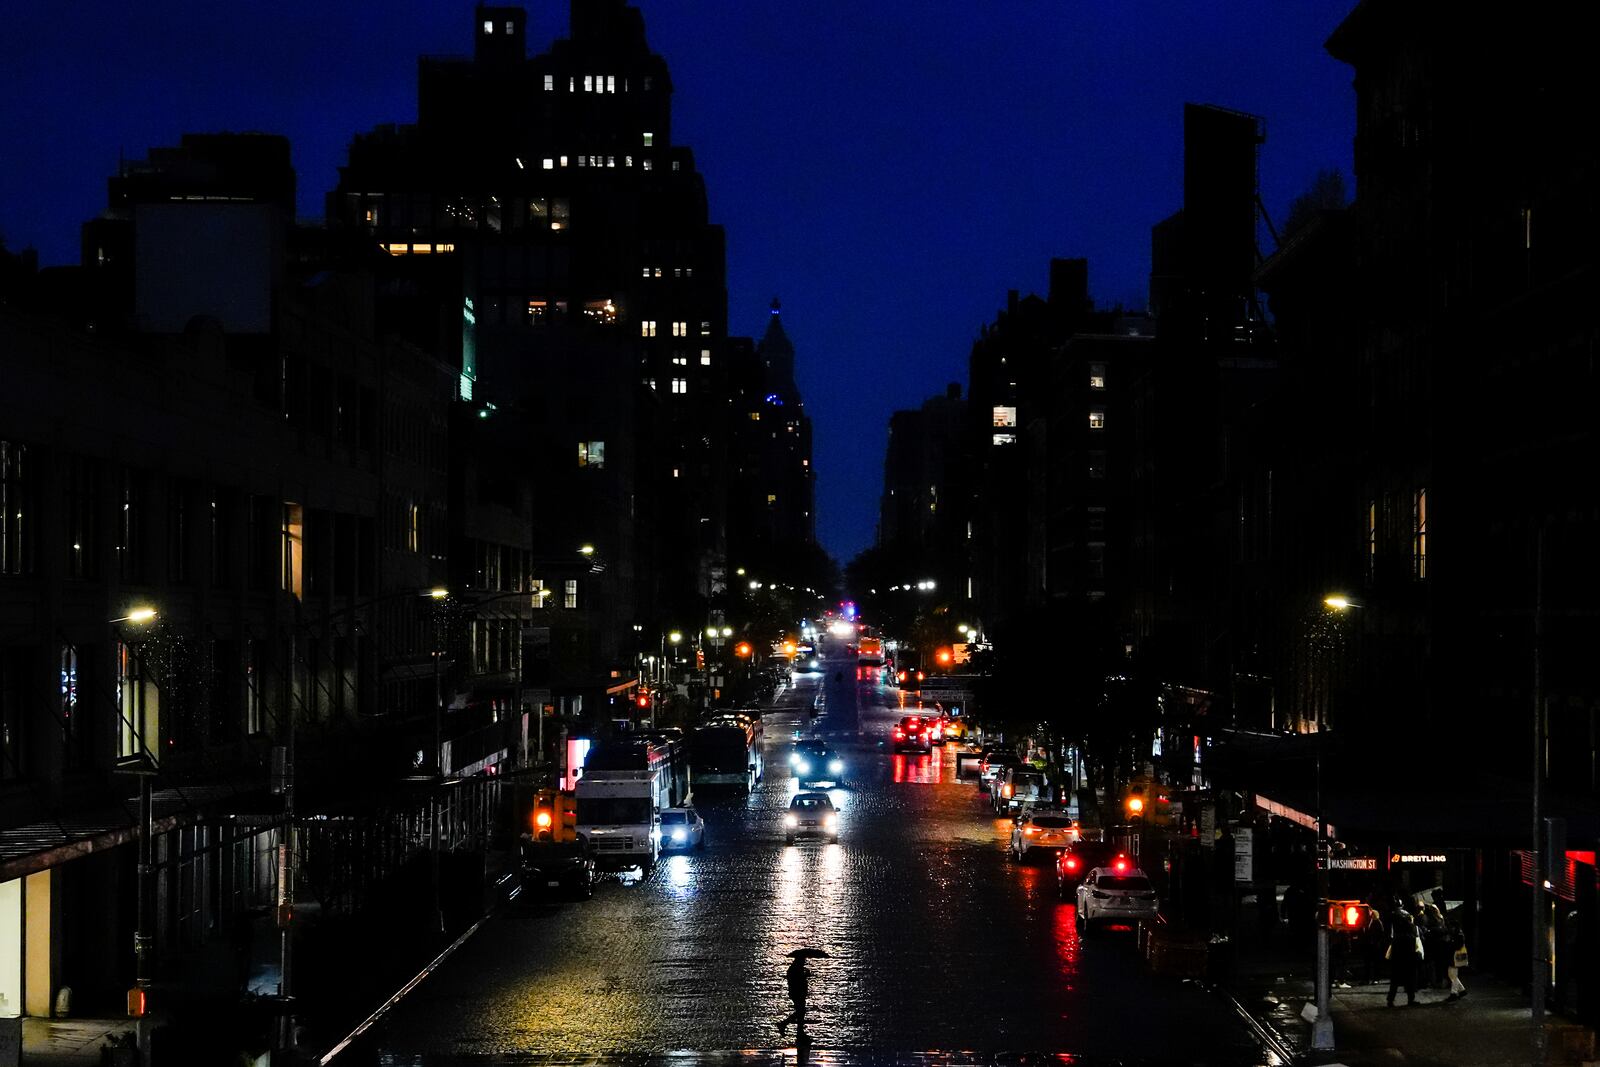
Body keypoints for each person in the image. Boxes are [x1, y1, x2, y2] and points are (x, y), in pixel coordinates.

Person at [1387, 899, 1423, 1007]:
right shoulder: (1407, 917)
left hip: (1397, 949)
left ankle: (1390, 1000)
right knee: (1410, 976)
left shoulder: (1392, 916)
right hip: (1408, 951)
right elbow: (1414, 933)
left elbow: (1390, 934)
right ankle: (1410, 999)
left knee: (1395, 977)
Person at [778, 956, 812, 1036]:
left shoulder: (795, 968)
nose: (804, 962)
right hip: (797, 993)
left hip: (798, 993)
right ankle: (785, 1024)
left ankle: (799, 1030)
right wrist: (805, 975)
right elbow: (797, 982)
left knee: (801, 1012)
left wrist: (805, 975)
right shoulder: (795, 969)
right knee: (800, 1011)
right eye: (803, 961)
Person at [1446, 922, 1469, 1001]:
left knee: (1453, 974)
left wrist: (1450, 942)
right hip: (1453, 957)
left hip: (1456, 956)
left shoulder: (1459, 934)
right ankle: (1462, 990)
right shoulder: (1456, 933)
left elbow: (1458, 945)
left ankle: (1454, 993)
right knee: (1451, 974)